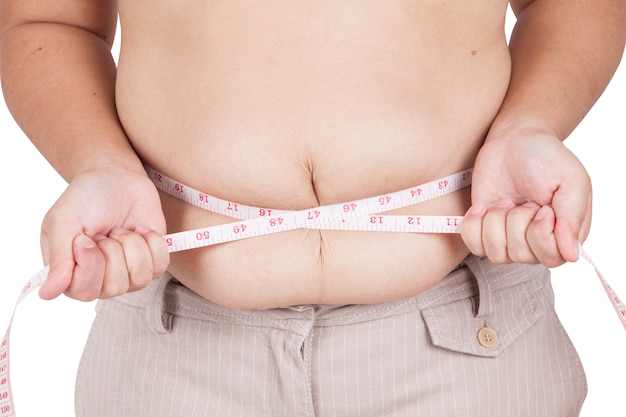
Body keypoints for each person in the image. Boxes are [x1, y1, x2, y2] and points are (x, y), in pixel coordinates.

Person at [0, 0, 624, 415]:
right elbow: (48, 20)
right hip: (174, 352)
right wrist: (98, 161)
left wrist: (531, 123)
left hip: (470, 343)